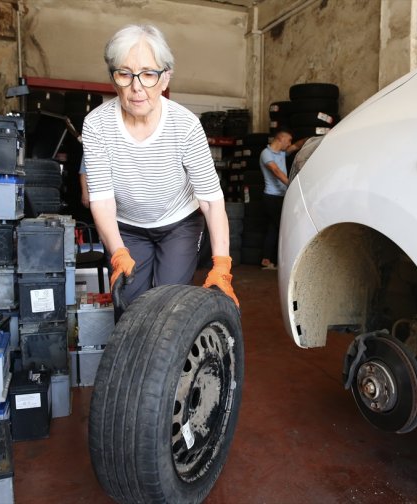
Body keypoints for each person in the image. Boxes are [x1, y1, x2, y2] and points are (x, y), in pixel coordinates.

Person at [81, 24, 238, 320]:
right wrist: (117, 252)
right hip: (127, 227)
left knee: (169, 305)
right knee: (128, 308)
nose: (137, 87)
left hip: (178, 223)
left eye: (149, 73)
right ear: (113, 79)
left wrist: (221, 266)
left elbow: (211, 201)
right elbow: (100, 198)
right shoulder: (97, 125)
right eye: (125, 73)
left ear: (165, 78)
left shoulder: (186, 125)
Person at [259, 128, 305, 270]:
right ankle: (284, 263)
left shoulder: (282, 153)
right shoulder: (266, 154)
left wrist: (313, 138)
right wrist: (292, 185)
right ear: (280, 139)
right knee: (283, 228)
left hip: (280, 197)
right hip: (272, 197)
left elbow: (297, 145)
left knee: (273, 228)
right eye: (288, 140)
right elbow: (276, 171)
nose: (289, 143)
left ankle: (267, 260)